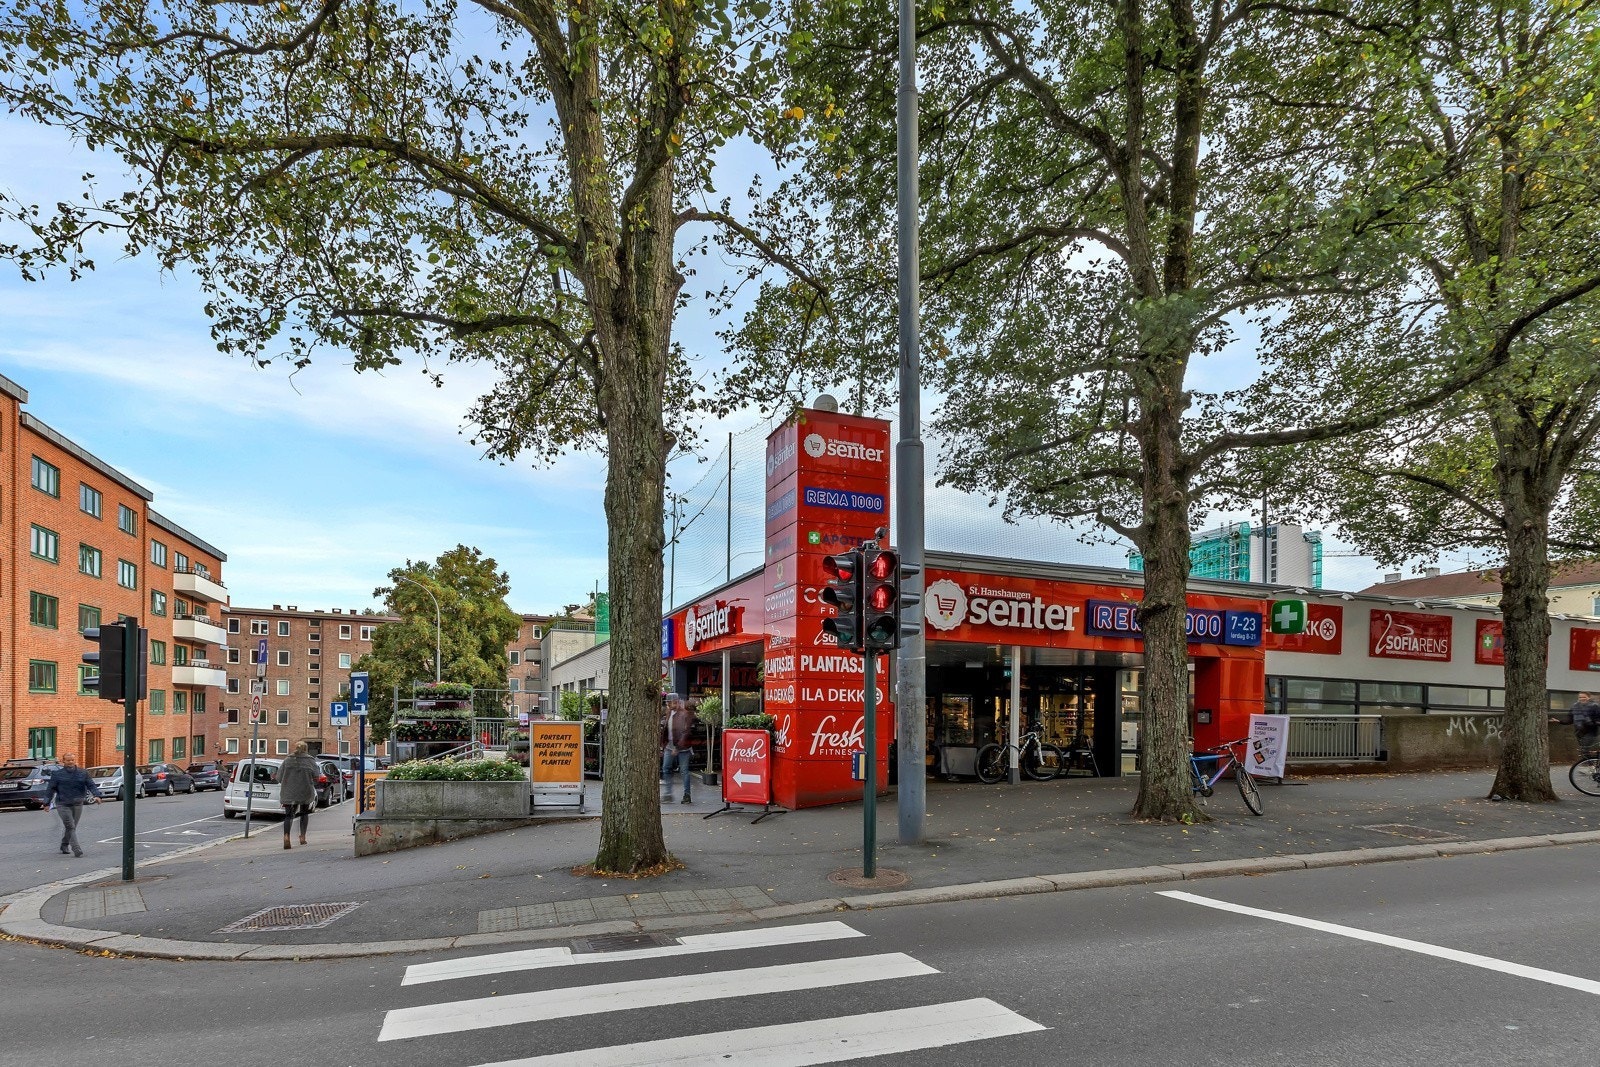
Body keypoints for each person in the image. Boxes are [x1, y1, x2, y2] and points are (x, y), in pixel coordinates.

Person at [43, 753, 100, 857]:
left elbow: (91, 785)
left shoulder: (83, 773)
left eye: (72, 760)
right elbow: (50, 789)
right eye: (68, 760)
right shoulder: (57, 774)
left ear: (75, 760)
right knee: (70, 825)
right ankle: (76, 848)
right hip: (62, 804)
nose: (70, 762)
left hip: (78, 803)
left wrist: (97, 795)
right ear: (63, 761)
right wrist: (46, 803)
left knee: (72, 827)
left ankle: (64, 844)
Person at [278, 741, 320, 849]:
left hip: (289, 791)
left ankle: (286, 837)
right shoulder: (310, 760)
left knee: (288, 815)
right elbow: (316, 776)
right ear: (306, 749)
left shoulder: (287, 760)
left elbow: (279, 777)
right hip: (305, 790)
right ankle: (302, 837)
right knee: (304, 813)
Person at [660, 695, 694, 804]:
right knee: (666, 768)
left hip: (682, 747)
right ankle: (668, 794)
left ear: (675, 702)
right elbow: (667, 730)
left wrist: (677, 748)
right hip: (669, 746)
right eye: (667, 703)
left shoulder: (684, 714)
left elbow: (686, 733)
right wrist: (663, 745)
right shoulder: (669, 713)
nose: (667, 704)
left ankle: (687, 795)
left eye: (669, 702)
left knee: (684, 771)